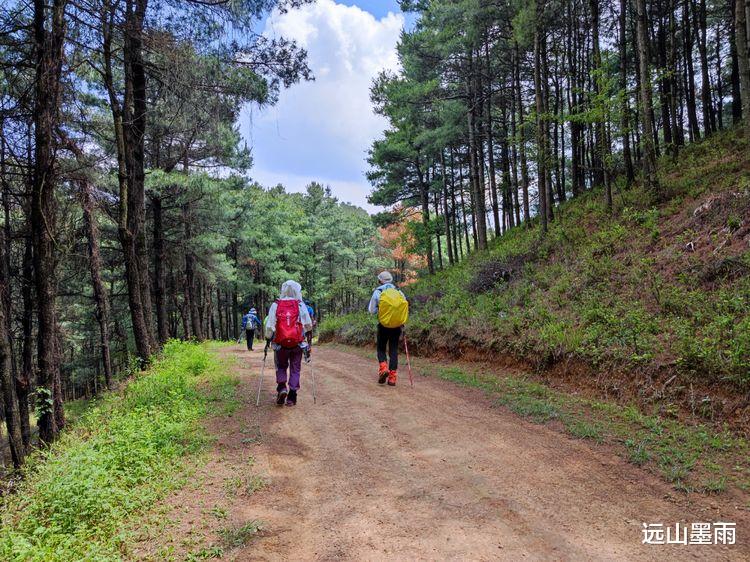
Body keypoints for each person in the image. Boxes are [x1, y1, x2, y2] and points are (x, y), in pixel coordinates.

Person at [265, 280, 313, 406]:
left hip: (281, 344)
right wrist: (308, 339)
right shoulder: (300, 305)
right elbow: (308, 325)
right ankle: (292, 396)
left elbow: (270, 326)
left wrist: (268, 339)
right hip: (297, 344)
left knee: (281, 366)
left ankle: (282, 388)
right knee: (295, 369)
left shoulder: (276, 305)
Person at [368, 271, 408, 386]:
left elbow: (371, 310)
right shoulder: (399, 292)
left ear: (380, 280)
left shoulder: (378, 291)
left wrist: (380, 310)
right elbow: (404, 306)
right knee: (393, 350)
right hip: (397, 326)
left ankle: (383, 368)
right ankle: (392, 377)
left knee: (381, 348)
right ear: (390, 280)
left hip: (383, 325)